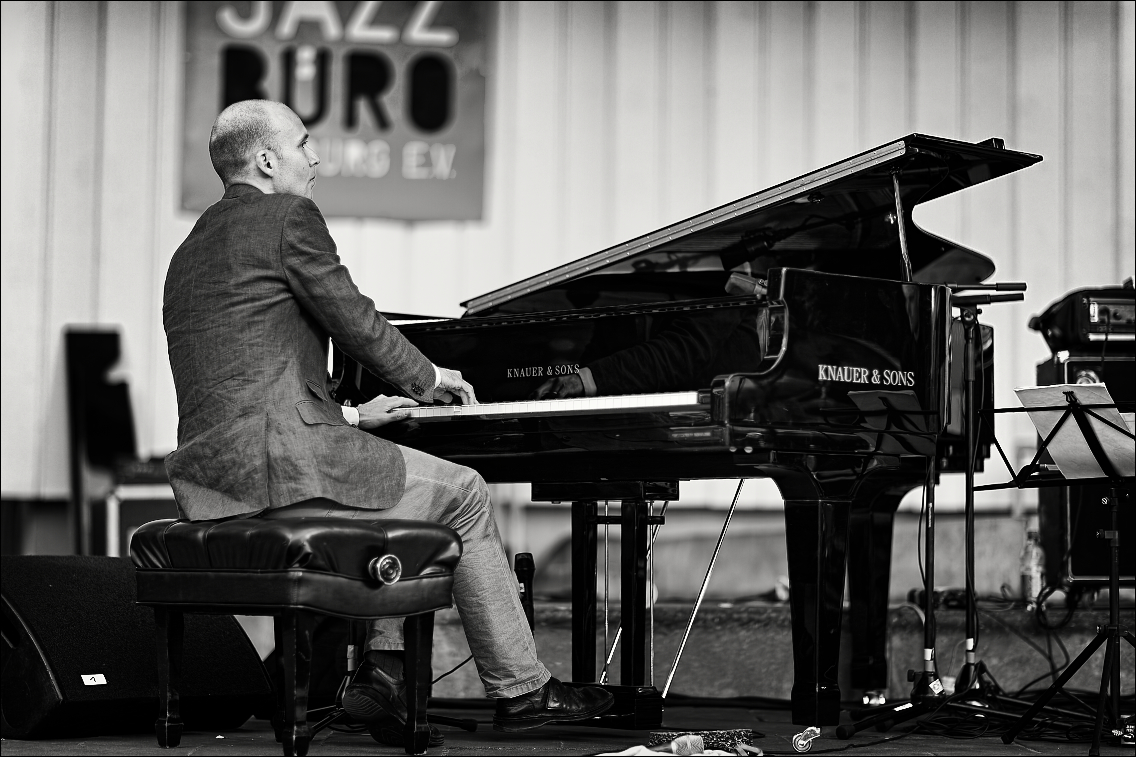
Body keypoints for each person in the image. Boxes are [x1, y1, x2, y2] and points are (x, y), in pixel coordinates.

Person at [163, 100, 612, 742]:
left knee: (400, 500)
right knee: (462, 493)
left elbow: (244, 377)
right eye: (303, 143)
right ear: (266, 159)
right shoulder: (288, 216)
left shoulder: (191, 251)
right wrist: (430, 379)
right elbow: (356, 319)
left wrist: (348, 416)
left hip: (214, 479)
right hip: (286, 468)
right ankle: (524, 689)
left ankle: (382, 675)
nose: (315, 158)